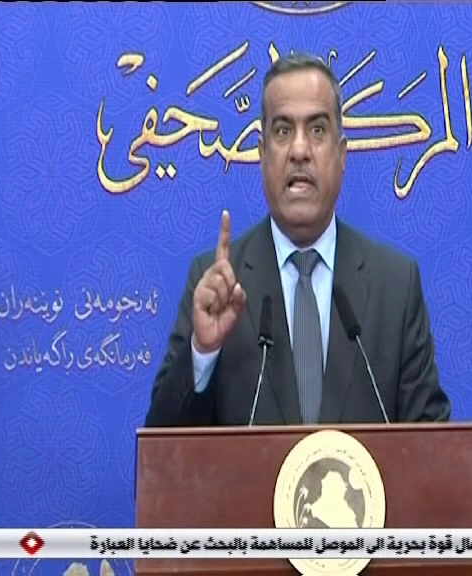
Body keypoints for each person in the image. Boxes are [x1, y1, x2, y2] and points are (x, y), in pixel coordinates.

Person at [144, 52, 450, 427]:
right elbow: (164, 445)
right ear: (262, 154)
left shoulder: (396, 286)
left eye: (317, 130)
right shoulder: (217, 283)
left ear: (342, 155)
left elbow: (432, 444)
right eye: (283, 131)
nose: (300, 151)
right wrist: (204, 351)